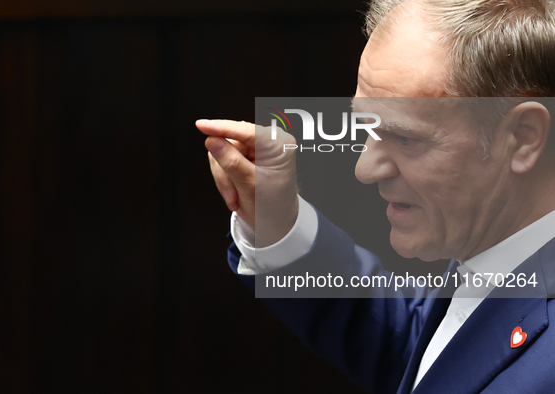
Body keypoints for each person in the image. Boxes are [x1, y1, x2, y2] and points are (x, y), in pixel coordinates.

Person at [196, 0, 555, 393]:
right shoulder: (496, 260)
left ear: (522, 138)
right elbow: (443, 357)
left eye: (405, 137)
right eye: (367, 127)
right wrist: (278, 222)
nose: (364, 170)